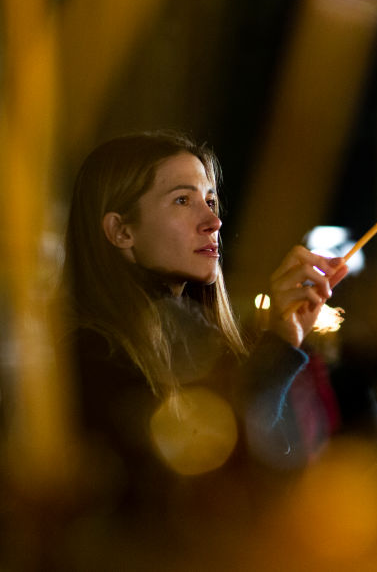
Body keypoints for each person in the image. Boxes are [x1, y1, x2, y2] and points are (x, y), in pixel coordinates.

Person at [58, 131, 348, 563]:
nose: (212, 221)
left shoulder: (200, 345)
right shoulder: (94, 356)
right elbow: (199, 475)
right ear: (121, 230)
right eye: (182, 200)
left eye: (211, 201)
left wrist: (284, 335)